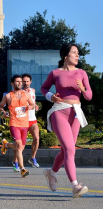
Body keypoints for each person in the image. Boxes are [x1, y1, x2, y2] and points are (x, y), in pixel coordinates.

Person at [41, 43, 92, 198]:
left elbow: (89, 96)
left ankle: (51, 173)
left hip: (76, 113)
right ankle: (75, 185)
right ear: (65, 55)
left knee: (65, 151)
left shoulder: (82, 73)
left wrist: (82, 89)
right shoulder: (55, 73)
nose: (77, 56)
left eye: (78, 53)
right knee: (70, 149)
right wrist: (51, 96)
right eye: (74, 53)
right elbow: (44, 89)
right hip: (59, 111)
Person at [0, 75, 34, 178]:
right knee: (18, 145)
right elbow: (0, 107)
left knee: (20, 148)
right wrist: (3, 112)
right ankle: (22, 168)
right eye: (17, 82)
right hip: (14, 124)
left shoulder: (26, 94)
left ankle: (6, 144)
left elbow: (31, 104)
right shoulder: (8, 96)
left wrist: (29, 107)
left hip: (25, 124)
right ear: (12, 83)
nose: (19, 83)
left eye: (20, 81)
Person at [22, 73, 40, 168]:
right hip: (22, 120)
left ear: (30, 82)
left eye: (27, 81)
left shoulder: (33, 90)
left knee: (36, 138)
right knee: (20, 144)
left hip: (32, 119)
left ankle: (33, 157)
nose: (25, 83)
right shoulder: (18, 92)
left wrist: (35, 105)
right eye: (24, 81)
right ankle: (16, 162)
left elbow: (33, 101)